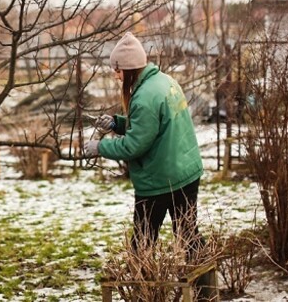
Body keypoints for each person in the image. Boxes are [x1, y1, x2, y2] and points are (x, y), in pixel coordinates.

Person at [83, 32, 205, 257]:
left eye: (117, 71)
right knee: (189, 235)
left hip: (160, 179)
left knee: (143, 242)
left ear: (128, 69)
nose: (116, 77)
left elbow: (134, 146)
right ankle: (205, 288)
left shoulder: (144, 97)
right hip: (185, 171)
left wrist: (99, 148)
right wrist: (117, 124)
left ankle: (142, 290)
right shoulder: (165, 81)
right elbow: (153, 127)